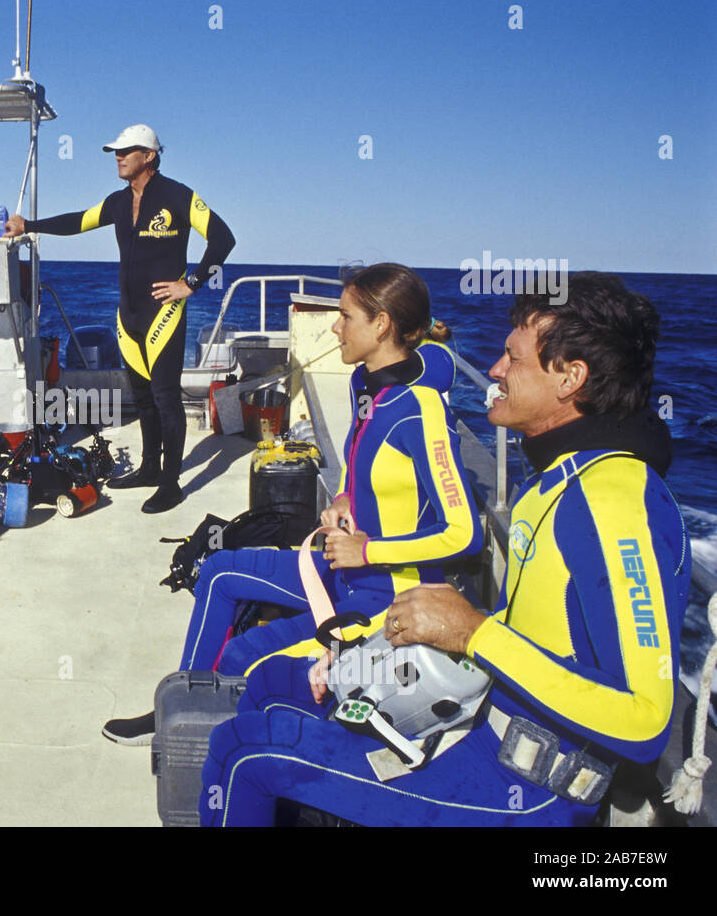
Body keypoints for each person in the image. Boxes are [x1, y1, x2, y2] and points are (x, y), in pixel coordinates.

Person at [201, 272, 690, 826]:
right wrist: (408, 648)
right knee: (271, 685)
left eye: (514, 359)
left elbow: (645, 721)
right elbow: (547, 631)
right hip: (479, 721)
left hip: (527, 788)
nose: (496, 371)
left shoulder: (614, 503)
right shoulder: (557, 480)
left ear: (570, 378)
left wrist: (472, 631)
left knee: (245, 755)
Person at [104, 263, 481, 743]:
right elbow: (368, 468)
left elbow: (463, 532)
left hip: (387, 601)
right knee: (218, 570)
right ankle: (178, 705)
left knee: (243, 656)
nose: (334, 326)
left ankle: (202, 730)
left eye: (345, 316)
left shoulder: (421, 410)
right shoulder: (364, 383)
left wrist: (368, 552)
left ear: (382, 324)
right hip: (341, 571)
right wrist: (344, 496)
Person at [5, 124, 235, 514]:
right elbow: (78, 221)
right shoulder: (116, 202)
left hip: (163, 311)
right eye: (115, 150)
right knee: (143, 398)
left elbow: (222, 237)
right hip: (127, 315)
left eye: (126, 150)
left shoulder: (177, 196)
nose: (118, 156)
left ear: (149, 156)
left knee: (165, 399)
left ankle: (170, 483)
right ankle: (148, 467)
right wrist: (30, 225)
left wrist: (190, 283)